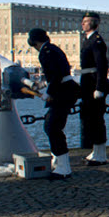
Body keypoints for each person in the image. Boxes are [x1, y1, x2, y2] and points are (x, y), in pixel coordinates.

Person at [28, 28, 80, 180]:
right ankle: (59, 162)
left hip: (62, 92)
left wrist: (49, 93)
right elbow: (56, 74)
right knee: (52, 126)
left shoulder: (45, 52)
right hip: (66, 90)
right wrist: (45, 87)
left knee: (52, 127)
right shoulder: (53, 48)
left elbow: (56, 75)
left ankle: (64, 168)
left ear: (32, 42)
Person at [79, 12, 109, 166]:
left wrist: (99, 87)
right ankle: (96, 151)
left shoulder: (97, 41)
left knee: (97, 120)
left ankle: (101, 155)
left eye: (86, 22)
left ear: (95, 23)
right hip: (88, 83)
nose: (83, 24)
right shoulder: (87, 40)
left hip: (94, 83)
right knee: (90, 119)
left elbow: (102, 66)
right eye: (83, 21)